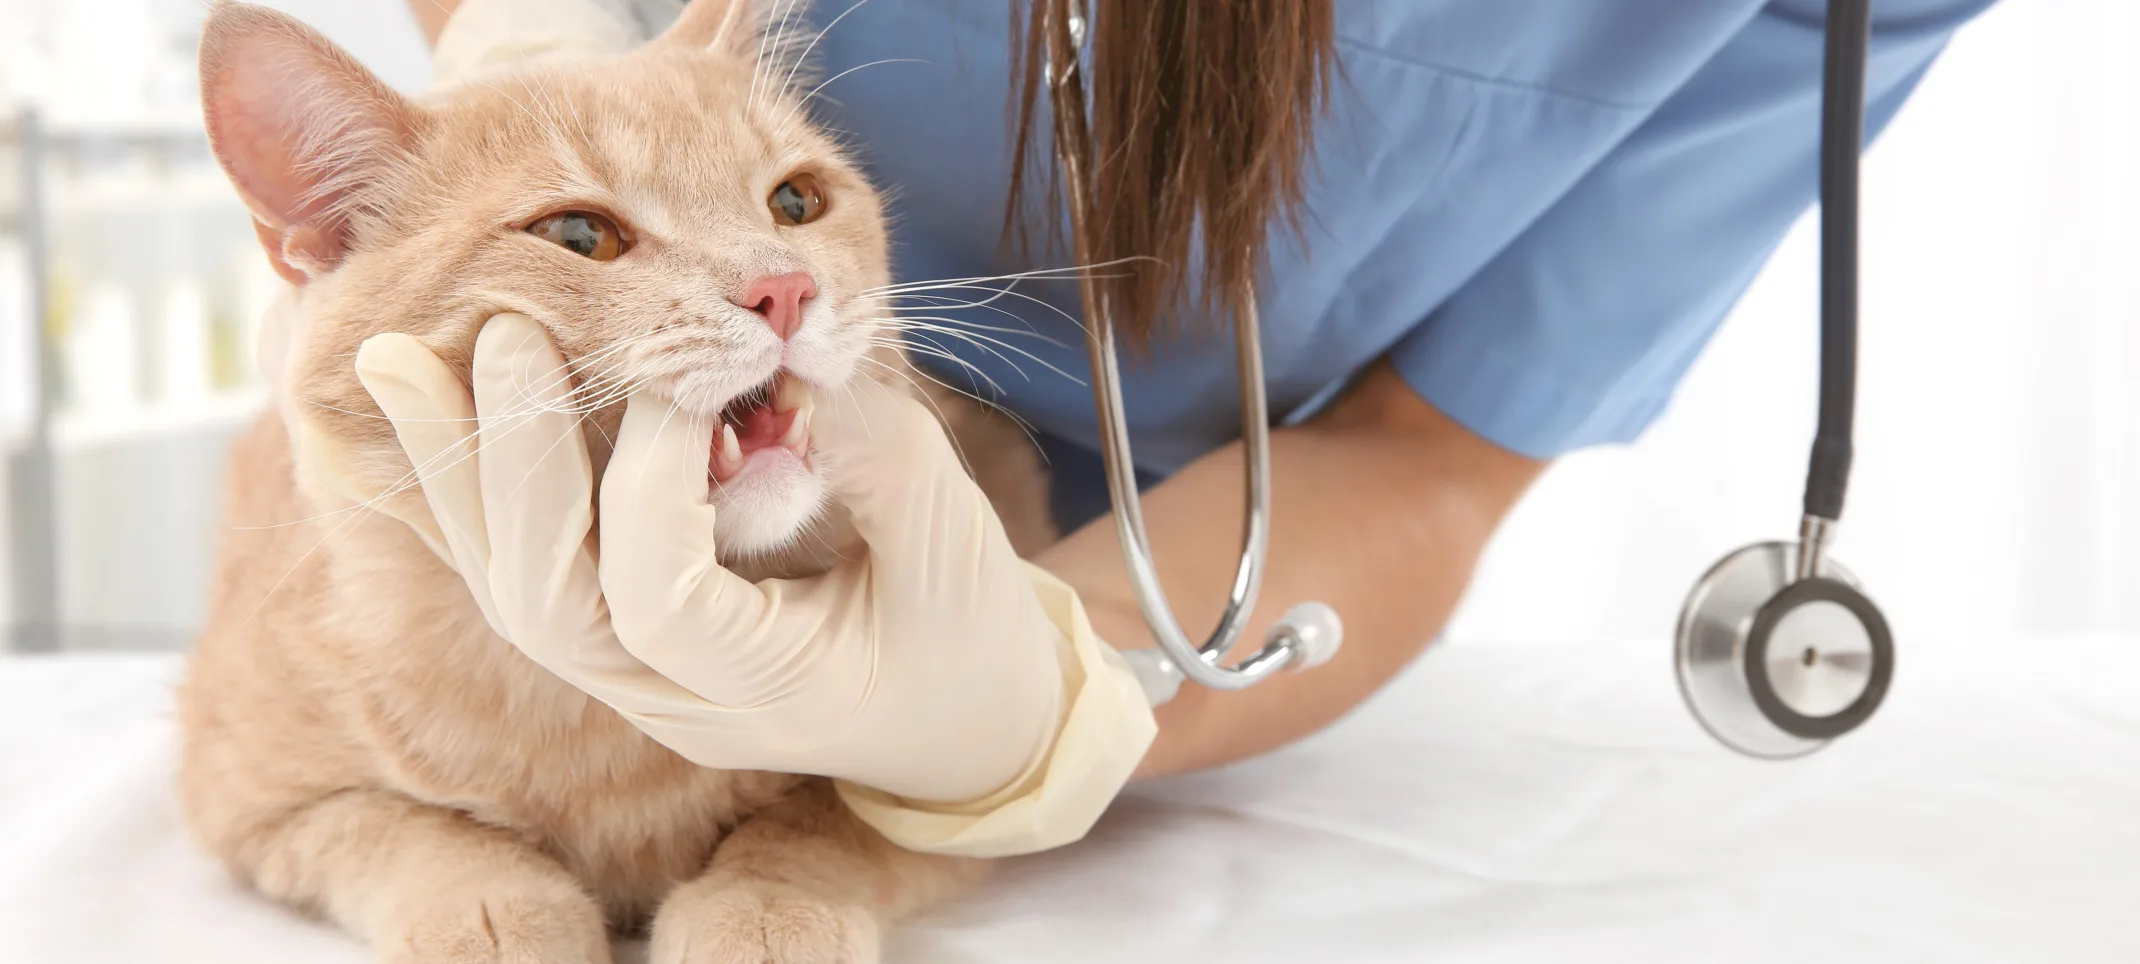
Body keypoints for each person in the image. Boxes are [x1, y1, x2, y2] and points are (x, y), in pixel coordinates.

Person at [337, 0, 1996, 856]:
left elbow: (1434, 459)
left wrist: (1049, 700)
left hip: (1181, 550)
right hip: (627, 407)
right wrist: (524, 52)